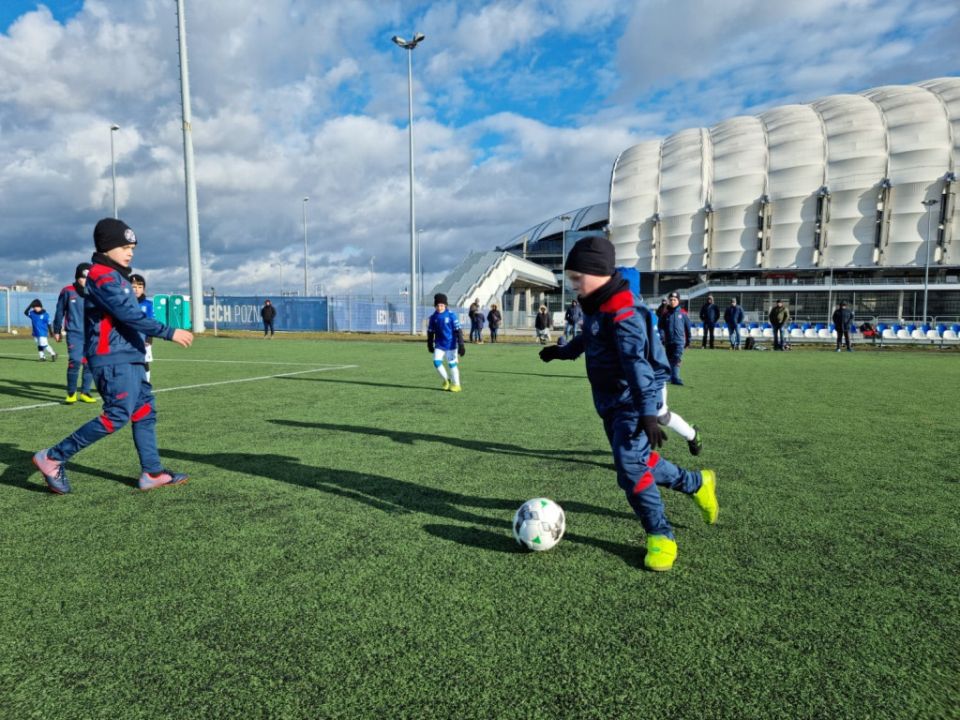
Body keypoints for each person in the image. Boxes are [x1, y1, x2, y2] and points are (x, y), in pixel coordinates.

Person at [538, 234, 718, 572]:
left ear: (598, 273)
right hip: (610, 400)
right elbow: (590, 337)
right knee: (640, 460)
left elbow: (638, 364)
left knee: (631, 468)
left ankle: (661, 535)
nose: (573, 284)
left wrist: (648, 413)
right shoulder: (597, 303)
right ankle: (697, 483)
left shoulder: (623, 310)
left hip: (634, 400)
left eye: (577, 277)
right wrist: (562, 352)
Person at [32, 218, 194, 495]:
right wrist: (169, 332)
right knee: (117, 415)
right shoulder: (102, 275)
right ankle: (53, 457)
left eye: (132, 248)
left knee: (145, 412)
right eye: (124, 247)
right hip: (113, 358)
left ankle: (152, 472)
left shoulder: (117, 276)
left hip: (129, 356)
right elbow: (127, 314)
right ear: (107, 247)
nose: (130, 253)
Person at [53, 263, 95, 403]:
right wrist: (57, 329)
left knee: (89, 363)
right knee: (75, 361)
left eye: (88, 278)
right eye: (83, 277)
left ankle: (85, 393)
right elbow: (60, 311)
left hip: (92, 334)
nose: (85, 280)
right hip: (74, 333)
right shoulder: (68, 291)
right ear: (77, 277)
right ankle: (71, 393)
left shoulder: (95, 292)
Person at [427, 293, 465, 392]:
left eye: (441, 305)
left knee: (452, 364)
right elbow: (430, 332)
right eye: (437, 305)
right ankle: (446, 380)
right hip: (439, 344)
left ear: (445, 305)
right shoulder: (433, 317)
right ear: (435, 306)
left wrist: (461, 344)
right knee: (436, 362)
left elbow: (458, 330)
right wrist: (429, 343)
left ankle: (457, 385)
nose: (439, 307)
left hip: (451, 345)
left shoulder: (451, 315)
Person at [662, 291, 691, 385]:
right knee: (669, 358)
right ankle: (669, 376)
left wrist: (688, 341)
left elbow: (688, 328)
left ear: (678, 301)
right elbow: (660, 326)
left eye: (675, 300)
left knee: (676, 358)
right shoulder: (665, 314)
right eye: (671, 300)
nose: (672, 301)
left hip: (679, 341)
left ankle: (675, 377)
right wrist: (662, 336)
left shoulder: (683, 313)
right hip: (668, 341)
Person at [130, 274, 155, 381]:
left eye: (140, 287)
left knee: (144, 362)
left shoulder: (148, 304)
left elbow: (151, 323)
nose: (137, 289)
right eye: (134, 287)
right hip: (126, 339)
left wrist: (149, 339)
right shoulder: (124, 303)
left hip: (143, 340)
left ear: (143, 289)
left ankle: (146, 383)